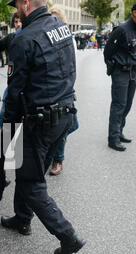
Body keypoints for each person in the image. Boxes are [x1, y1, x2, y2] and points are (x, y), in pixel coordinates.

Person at [1, 0, 85, 254]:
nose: (15, 9)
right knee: (32, 170)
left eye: (16, 5)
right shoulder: (60, 26)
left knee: (30, 183)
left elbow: (14, 94)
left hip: (40, 122)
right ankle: (22, 219)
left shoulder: (24, 39)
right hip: (64, 115)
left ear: (25, 4)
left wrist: (6, 132)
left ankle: (68, 236)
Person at [104, 1, 136, 152]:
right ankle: (113, 138)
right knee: (119, 105)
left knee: (127, 104)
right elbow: (108, 51)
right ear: (134, 12)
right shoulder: (122, 29)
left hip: (133, 71)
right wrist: (114, 67)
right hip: (121, 72)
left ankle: (119, 132)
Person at [48, 6, 79, 176]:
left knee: (63, 125)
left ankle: (58, 159)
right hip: (49, 88)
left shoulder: (68, 39)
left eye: (56, 18)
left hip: (63, 89)